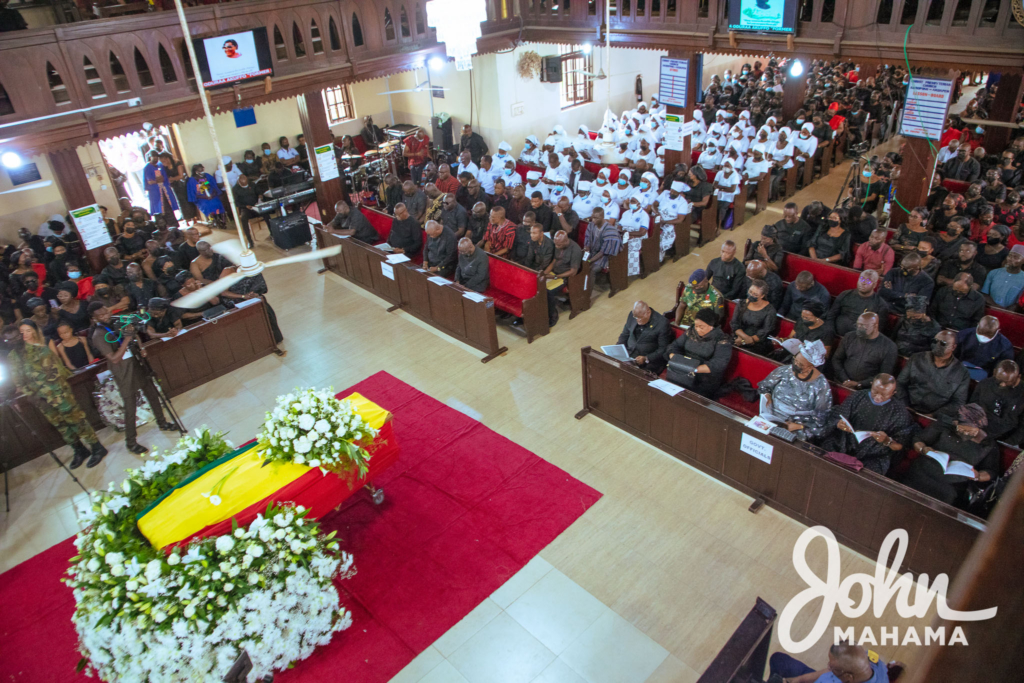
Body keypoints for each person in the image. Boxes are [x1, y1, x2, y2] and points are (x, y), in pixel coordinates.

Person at [2, 323, 107, 468]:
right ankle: (79, 450)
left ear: (20, 336)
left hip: (58, 394)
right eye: (9, 340)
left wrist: (45, 396)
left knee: (77, 421)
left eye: (15, 337)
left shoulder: (40, 350)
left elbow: (53, 375)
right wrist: (34, 396)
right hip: (41, 400)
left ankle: (97, 447)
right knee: (62, 426)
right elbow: (18, 380)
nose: (13, 341)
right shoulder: (12, 357)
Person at [89, 302, 177, 453]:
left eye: (106, 312)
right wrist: (128, 340)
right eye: (101, 315)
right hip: (122, 370)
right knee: (130, 406)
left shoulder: (118, 321)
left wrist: (141, 347)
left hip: (136, 362)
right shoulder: (98, 335)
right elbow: (115, 358)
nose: (106, 316)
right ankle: (131, 442)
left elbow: (134, 332)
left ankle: (163, 423)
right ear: (94, 318)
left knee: (152, 393)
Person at [903, 403, 1000, 507]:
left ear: (979, 428)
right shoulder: (944, 425)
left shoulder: (988, 444)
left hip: (952, 486)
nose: (966, 433)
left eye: (971, 431)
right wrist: (923, 449)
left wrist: (978, 476)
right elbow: (918, 440)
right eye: (962, 429)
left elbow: (991, 471)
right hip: (924, 471)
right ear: (956, 423)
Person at [822, 374, 914, 475]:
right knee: (825, 452)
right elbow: (837, 416)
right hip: (844, 442)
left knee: (868, 474)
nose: (878, 397)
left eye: (884, 394)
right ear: (871, 385)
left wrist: (887, 441)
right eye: (875, 391)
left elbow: (900, 445)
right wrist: (839, 424)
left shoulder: (900, 412)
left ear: (893, 393)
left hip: (873, 454)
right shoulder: (857, 396)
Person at [758, 339, 833, 439]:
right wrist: (767, 395)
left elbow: (821, 418)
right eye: (795, 360)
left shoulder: (821, 384)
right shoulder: (784, 370)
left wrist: (799, 426)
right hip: (773, 415)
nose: (795, 365)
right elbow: (764, 386)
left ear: (811, 367)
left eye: (800, 364)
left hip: (798, 425)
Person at [897, 329, 971, 417]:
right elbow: (900, 383)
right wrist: (904, 404)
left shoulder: (961, 372)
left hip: (935, 416)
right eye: (935, 341)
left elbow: (958, 402)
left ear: (953, 347)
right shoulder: (916, 358)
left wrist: (933, 415)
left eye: (943, 343)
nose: (937, 345)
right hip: (906, 406)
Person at [664, 308, 732, 398]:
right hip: (684, 369)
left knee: (690, 398)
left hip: (704, 377)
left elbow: (718, 364)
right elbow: (674, 346)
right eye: (696, 326)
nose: (698, 329)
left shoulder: (722, 340)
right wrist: (676, 360)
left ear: (711, 326)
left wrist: (693, 369)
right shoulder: (692, 331)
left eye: (701, 327)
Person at [832, 312, 898, 390]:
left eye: (864, 326)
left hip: (867, 388)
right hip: (842, 381)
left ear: (875, 326)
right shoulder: (849, 337)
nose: (859, 328)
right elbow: (836, 359)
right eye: (858, 325)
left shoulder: (889, 347)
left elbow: (884, 375)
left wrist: (860, 384)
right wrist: (845, 379)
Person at [767, 643, 890, 683]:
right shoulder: (874, 663)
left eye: (833, 667)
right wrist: (801, 679)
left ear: (848, 677)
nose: (828, 667)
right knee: (779, 660)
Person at [970, 360, 1024, 445]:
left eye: (1007, 382)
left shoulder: (1021, 395)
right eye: (999, 380)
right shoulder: (984, 384)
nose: (1002, 384)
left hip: (1005, 438)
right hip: (978, 430)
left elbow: (1021, 427)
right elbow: (971, 407)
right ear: (994, 372)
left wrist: (1008, 443)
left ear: (1018, 377)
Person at [616, 300, 673, 375]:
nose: (637, 320)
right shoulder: (632, 315)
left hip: (648, 362)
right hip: (629, 354)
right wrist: (618, 348)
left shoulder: (662, 324)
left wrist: (646, 358)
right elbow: (625, 334)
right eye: (635, 317)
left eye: (640, 318)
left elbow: (663, 349)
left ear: (648, 313)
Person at [826, 270, 888, 338]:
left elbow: (877, 330)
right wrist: (829, 332)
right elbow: (831, 316)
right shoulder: (845, 294)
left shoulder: (880, 305)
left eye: (868, 281)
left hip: (859, 339)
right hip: (835, 334)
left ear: (875, 285)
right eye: (861, 279)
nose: (863, 283)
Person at [956, 316, 1014, 380]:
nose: (983, 338)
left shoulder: (1005, 346)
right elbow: (954, 356)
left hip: (985, 376)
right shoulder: (964, 335)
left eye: (988, 336)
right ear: (978, 325)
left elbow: (1000, 370)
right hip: (960, 368)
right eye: (981, 333)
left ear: (998, 331)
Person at [731, 278, 776, 355]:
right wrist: (743, 338)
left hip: (757, 342)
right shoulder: (742, 304)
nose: (751, 295)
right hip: (739, 336)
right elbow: (734, 323)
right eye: (750, 292)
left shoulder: (770, 310)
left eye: (755, 295)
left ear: (762, 296)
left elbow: (765, 331)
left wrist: (747, 340)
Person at [143, 152, 179, 227]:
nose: (155, 158)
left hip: (164, 191)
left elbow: (164, 177)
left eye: (157, 156)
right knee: (159, 210)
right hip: (155, 193)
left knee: (168, 208)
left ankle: (174, 226)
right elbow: (150, 181)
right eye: (154, 156)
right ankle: (164, 227)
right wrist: (157, 181)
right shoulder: (147, 167)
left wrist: (162, 180)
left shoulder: (160, 165)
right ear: (150, 157)